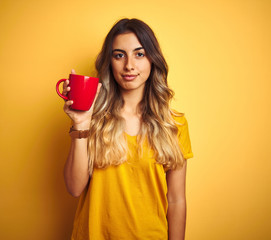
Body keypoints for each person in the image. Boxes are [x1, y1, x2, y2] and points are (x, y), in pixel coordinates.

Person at [62, 18, 193, 240]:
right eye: (119, 55)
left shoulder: (174, 124)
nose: (129, 65)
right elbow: (75, 188)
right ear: (109, 62)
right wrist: (81, 124)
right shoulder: (91, 118)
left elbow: (176, 200)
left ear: (153, 60)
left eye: (139, 54)